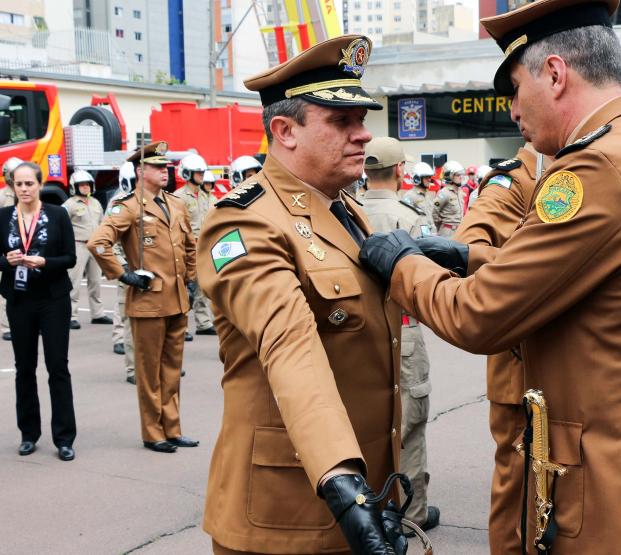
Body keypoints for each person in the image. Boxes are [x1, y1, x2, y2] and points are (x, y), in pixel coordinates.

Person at [360, 1, 621, 552]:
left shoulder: (597, 169)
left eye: (514, 89)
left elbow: (478, 315)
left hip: (616, 489)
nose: (512, 110)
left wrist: (402, 263)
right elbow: (610, 285)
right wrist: (470, 258)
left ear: (556, 74)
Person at [197, 35, 408, 555]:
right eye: (342, 122)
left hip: (362, 491)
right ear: (284, 131)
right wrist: (343, 482)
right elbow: (290, 345)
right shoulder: (244, 221)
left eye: (362, 119)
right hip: (287, 508)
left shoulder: (342, 209)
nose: (364, 136)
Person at [453, 145, 547, 553]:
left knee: (551, 494)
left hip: (563, 366)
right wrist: (536, 273)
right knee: (518, 492)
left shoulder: (576, 169)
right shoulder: (513, 179)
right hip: (520, 368)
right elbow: (466, 244)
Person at [88, 141, 199, 453]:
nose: (165, 172)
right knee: (149, 373)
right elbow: (98, 243)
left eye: (166, 167)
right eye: (157, 167)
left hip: (177, 299)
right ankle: (153, 433)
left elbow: (190, 245)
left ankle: (172, 428)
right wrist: (124, 274)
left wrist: (190, 280)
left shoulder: (175, 204)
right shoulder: (129, 207)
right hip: (149, 300)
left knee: (172, 369)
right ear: (140, 171)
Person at [360, 136, 440, 534]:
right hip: (404, 329)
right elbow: (427, 277)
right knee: (410, 423)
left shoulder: (344, 210)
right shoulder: (410, 214)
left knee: (364, 420)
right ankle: (411, 513)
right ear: (399, 171)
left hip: (357, 333)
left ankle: (365, 510)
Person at [0, 161, 77, 461]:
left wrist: (45, 263)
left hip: (54, 300)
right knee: (24, 368)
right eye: (18, 184)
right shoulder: (4, 216)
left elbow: (70, 258)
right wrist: (8, 261)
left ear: (39, 184)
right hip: (20, 300)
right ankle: (28, 434)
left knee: (57, 367)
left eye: (29, 183)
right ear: (12, 187)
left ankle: (64, 437)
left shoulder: (58, 214)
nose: (24, 189)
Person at [63, 170, 111, 329]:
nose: (85, 187)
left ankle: (98, 314)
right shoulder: (69, 204)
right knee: (74, 282)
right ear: (74, 187)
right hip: (78, 245)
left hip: (95, 246)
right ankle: (70, 315)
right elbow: (62, 226)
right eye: (81, 185)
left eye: (87, 184)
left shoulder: (96, 203)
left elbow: (102, 223)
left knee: (96, 281)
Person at [176, 154, 217, 337]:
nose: (201, 175)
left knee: (201, 287)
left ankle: (203, 323)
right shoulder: (179, 197)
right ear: (187, 174)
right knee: (184, 288)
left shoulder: (205, 196)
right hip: (186, 247)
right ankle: (180, 327)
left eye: (202, 172)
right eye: (197, 172)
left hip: (203, 247)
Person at [109, 162, 137, 382]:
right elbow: (111, 241)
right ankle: (133, 368)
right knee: (126, 315)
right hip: (127, 268)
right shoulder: (118, 203)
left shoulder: (146, 200)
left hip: (147, 268)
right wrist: (122, 267)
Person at [1, 156, 22, 341]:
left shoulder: (23, 193)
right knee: (5, 288)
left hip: (23, 246)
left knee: (23, 285)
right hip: (5, 248)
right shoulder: (2, 195)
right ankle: (6, 327)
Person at [433, 160, 464, 237]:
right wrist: (440, 227)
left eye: (461, 174)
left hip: (459, 230)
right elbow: (434, 211)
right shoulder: (443, 193)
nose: (461, 177)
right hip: (448, 232)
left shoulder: (460, 192)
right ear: (450, 176)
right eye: (458, 175)